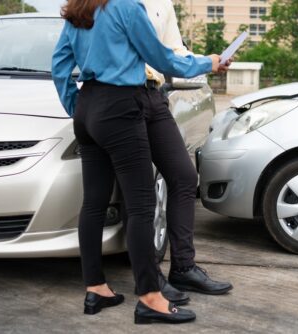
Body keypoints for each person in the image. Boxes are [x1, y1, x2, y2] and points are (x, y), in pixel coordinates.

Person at [52, 0, 228, 325]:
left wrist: (77, 106)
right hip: (121, 105)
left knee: (93, 202)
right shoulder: (127, 7)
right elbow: (162, 59)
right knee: (141, 205)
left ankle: (96, 288)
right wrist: (209, 62)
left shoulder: (78, 9)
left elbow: (59, 64)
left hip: (88, 105)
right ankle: (149, 297)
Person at [123, 0, 233, 306]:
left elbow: (174, 52)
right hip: (120, 97)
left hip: (154, 95)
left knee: (185, 177)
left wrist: (209, 62)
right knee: (141, 194)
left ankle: (183, 267)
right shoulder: (112, 4)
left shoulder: (162, 4)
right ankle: (149, 278)